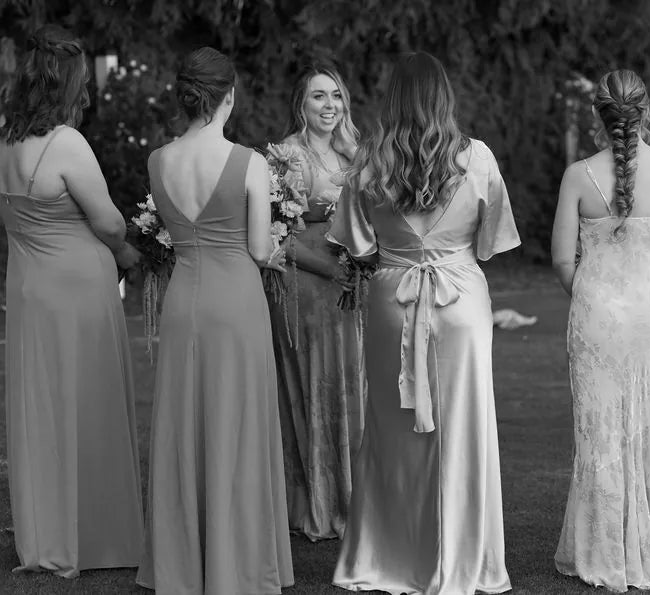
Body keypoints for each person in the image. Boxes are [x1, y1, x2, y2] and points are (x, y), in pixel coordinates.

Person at [329, 52, 518, 594]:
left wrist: (404, 248)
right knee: (464, 426)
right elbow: (490, 242)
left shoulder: (368, 162)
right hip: (460, 301)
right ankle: (464, 558)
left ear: (393, 99)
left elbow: (358, 245)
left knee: (392, 429)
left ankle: (386, 556)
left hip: (393, 298)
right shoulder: (477, 158)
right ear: (444, 98)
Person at [136, 47, 294, 594]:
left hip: (184, 301)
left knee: (186, 425)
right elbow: (259, 248)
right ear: (229, 96)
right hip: (236, 304)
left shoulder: (158, 160)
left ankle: (184, 563)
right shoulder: (249, 162)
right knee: (239, 424)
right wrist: (282, 251)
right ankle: (238, 562)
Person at [550, 69, 650, 591]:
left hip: (598, 318)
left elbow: (562, 260)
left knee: (599, 432)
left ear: (597, 114)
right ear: (645, 112)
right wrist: (645, 292)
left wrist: (593, 297)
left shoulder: (578, 176)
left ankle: (604, 551)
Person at [0, 25, 144, 578]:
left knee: (43, 406)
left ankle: (46, 535)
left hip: (29, 288)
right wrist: (129, 252)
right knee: (89, 400)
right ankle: (96, 535)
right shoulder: (66, 143)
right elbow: (109, 223)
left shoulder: (5, 139)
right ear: (67, 84)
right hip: (77, 290)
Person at [269, 61, 366, 542]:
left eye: (336, 95)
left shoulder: (355, 151)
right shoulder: (287, 155)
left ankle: (358, 497)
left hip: (353, 285)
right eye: (318, 96)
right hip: (306, 285)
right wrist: (329, 268)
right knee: (315, 385)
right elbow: (274, 233)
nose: (330, 105)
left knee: (353, 385)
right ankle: (318, 501)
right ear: (301, 105)